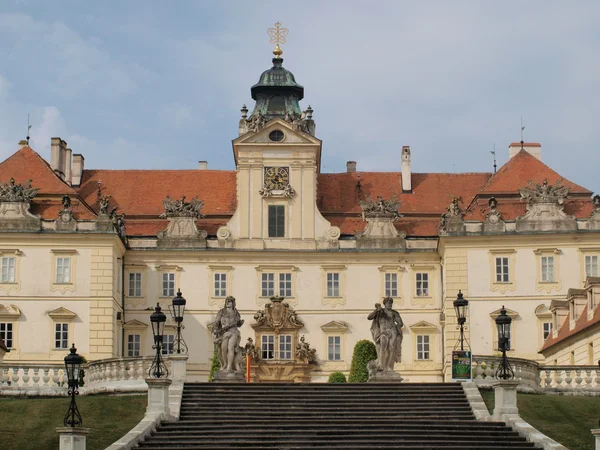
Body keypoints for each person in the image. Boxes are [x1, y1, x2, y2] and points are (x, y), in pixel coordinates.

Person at [367, 297, 403, 372]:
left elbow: (400, 323)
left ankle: (389, 367)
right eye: (388, 303)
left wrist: (397, 327)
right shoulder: (380, 311)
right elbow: (369, 317)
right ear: (385, 304)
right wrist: (376, 310)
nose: (390, 304)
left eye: (391, 303)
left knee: (391, 347)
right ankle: (381, 364)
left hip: (392, 330)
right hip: (382, 332)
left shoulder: (394, 313)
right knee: (383, 346)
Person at [213, 296, 244, 373]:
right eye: (226, 301)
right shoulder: (221, 312)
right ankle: (225, 364)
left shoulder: (236, 313)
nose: (227, 302)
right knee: (223, 349)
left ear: (233, 303)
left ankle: (229, 366)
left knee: (230, 348)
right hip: (225, 333)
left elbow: (238, 323)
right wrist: (216, 330)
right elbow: (216, 322)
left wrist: (240, 322)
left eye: (229, 301)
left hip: (233, 332)